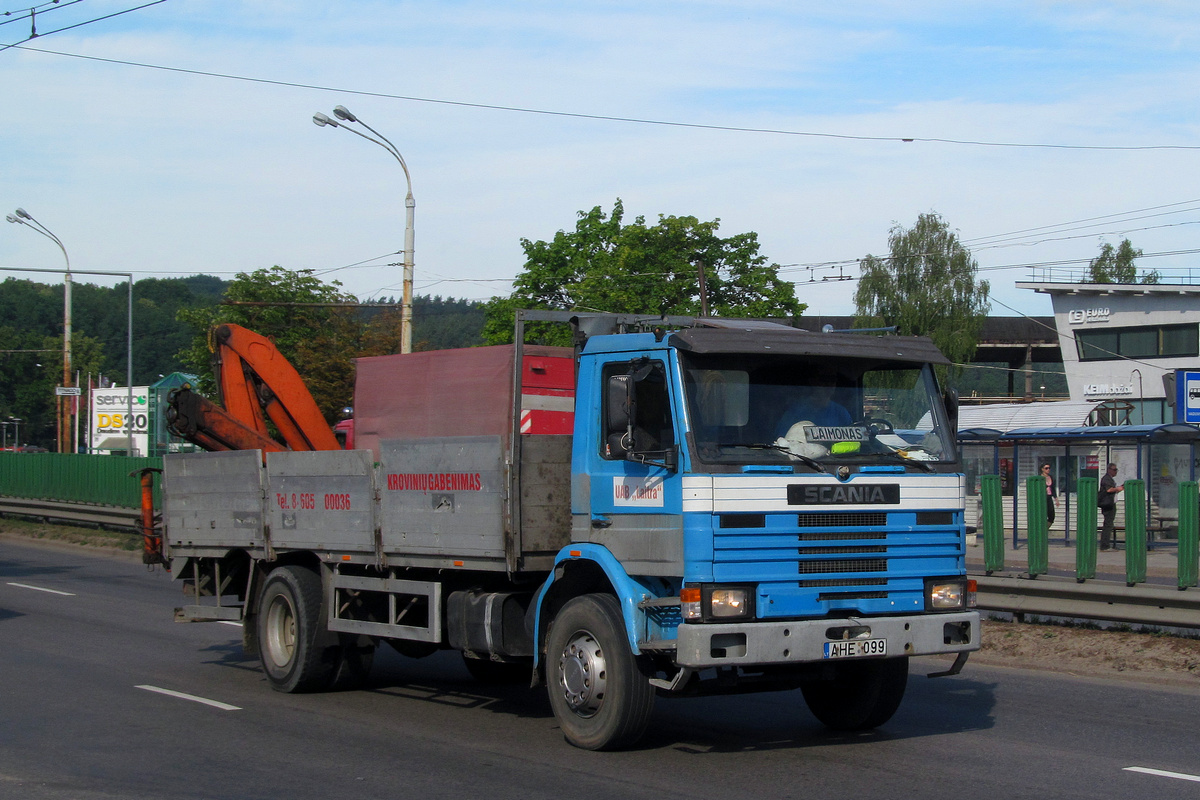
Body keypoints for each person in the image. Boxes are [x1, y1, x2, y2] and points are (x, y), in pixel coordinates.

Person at [775, 369, 852, 438]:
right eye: (824, 379)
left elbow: (852, 440)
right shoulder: (795, 412)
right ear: (813, 381)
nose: (829, 384)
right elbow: (782, 442)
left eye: (833, 379)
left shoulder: (841, 413)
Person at [1098, 462, 1124, 551]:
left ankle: (1106, 544)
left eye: (1116, 470)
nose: (1116, 472)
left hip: (1111, 503)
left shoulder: (1110, 479)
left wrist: (1120, 488)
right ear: (1109, 470)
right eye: (1114, 470)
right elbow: (1109, 490)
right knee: (1108, 524)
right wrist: (1118, 488)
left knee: (1109, 524)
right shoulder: (1106, 479)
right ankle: (1105, 545)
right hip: (1107, 504)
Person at [1041, 463, 1058, 527]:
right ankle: (1041, 529)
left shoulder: (1050, 477)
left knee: (1051, 515)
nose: (1048, 470)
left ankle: (1045, 529)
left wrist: (1056, 499)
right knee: (1043, 514)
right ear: (1042, 469)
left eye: (1049, 468)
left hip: (1049, 497)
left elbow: (1053, 489)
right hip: (1042, 498)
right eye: (1046, 468)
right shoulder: (1040, 478)